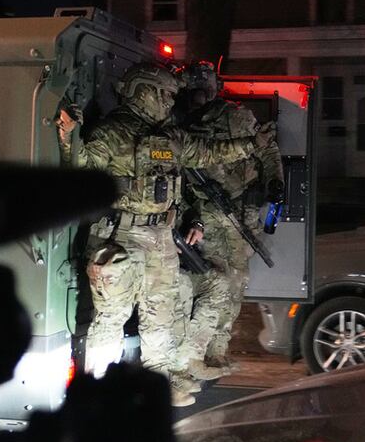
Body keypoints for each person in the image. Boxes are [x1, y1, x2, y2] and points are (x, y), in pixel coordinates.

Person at [55, 63, 254, 407]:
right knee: (110, 320)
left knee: (160, 320)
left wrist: (251, 145)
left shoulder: (171, 136)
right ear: (142, 91)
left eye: (170, 95)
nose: (168, 101)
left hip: (160, 237)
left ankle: (158, 388)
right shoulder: (112, 132)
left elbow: (208, 152)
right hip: (121, 237)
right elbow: (82, 172)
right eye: (163, 94)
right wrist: (68, 137)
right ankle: (97, 399)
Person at [175, 61, 284, 381]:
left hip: (238, 213)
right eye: (195, 88)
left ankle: (217, 350)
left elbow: (267, 150)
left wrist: (275, 182)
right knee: (213, 284)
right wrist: (193, 216)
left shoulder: (237, 116)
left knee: (235, 285)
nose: (200, 94)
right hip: (204, 215)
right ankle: (194, 355)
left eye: (205, 87)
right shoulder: (179, 123)